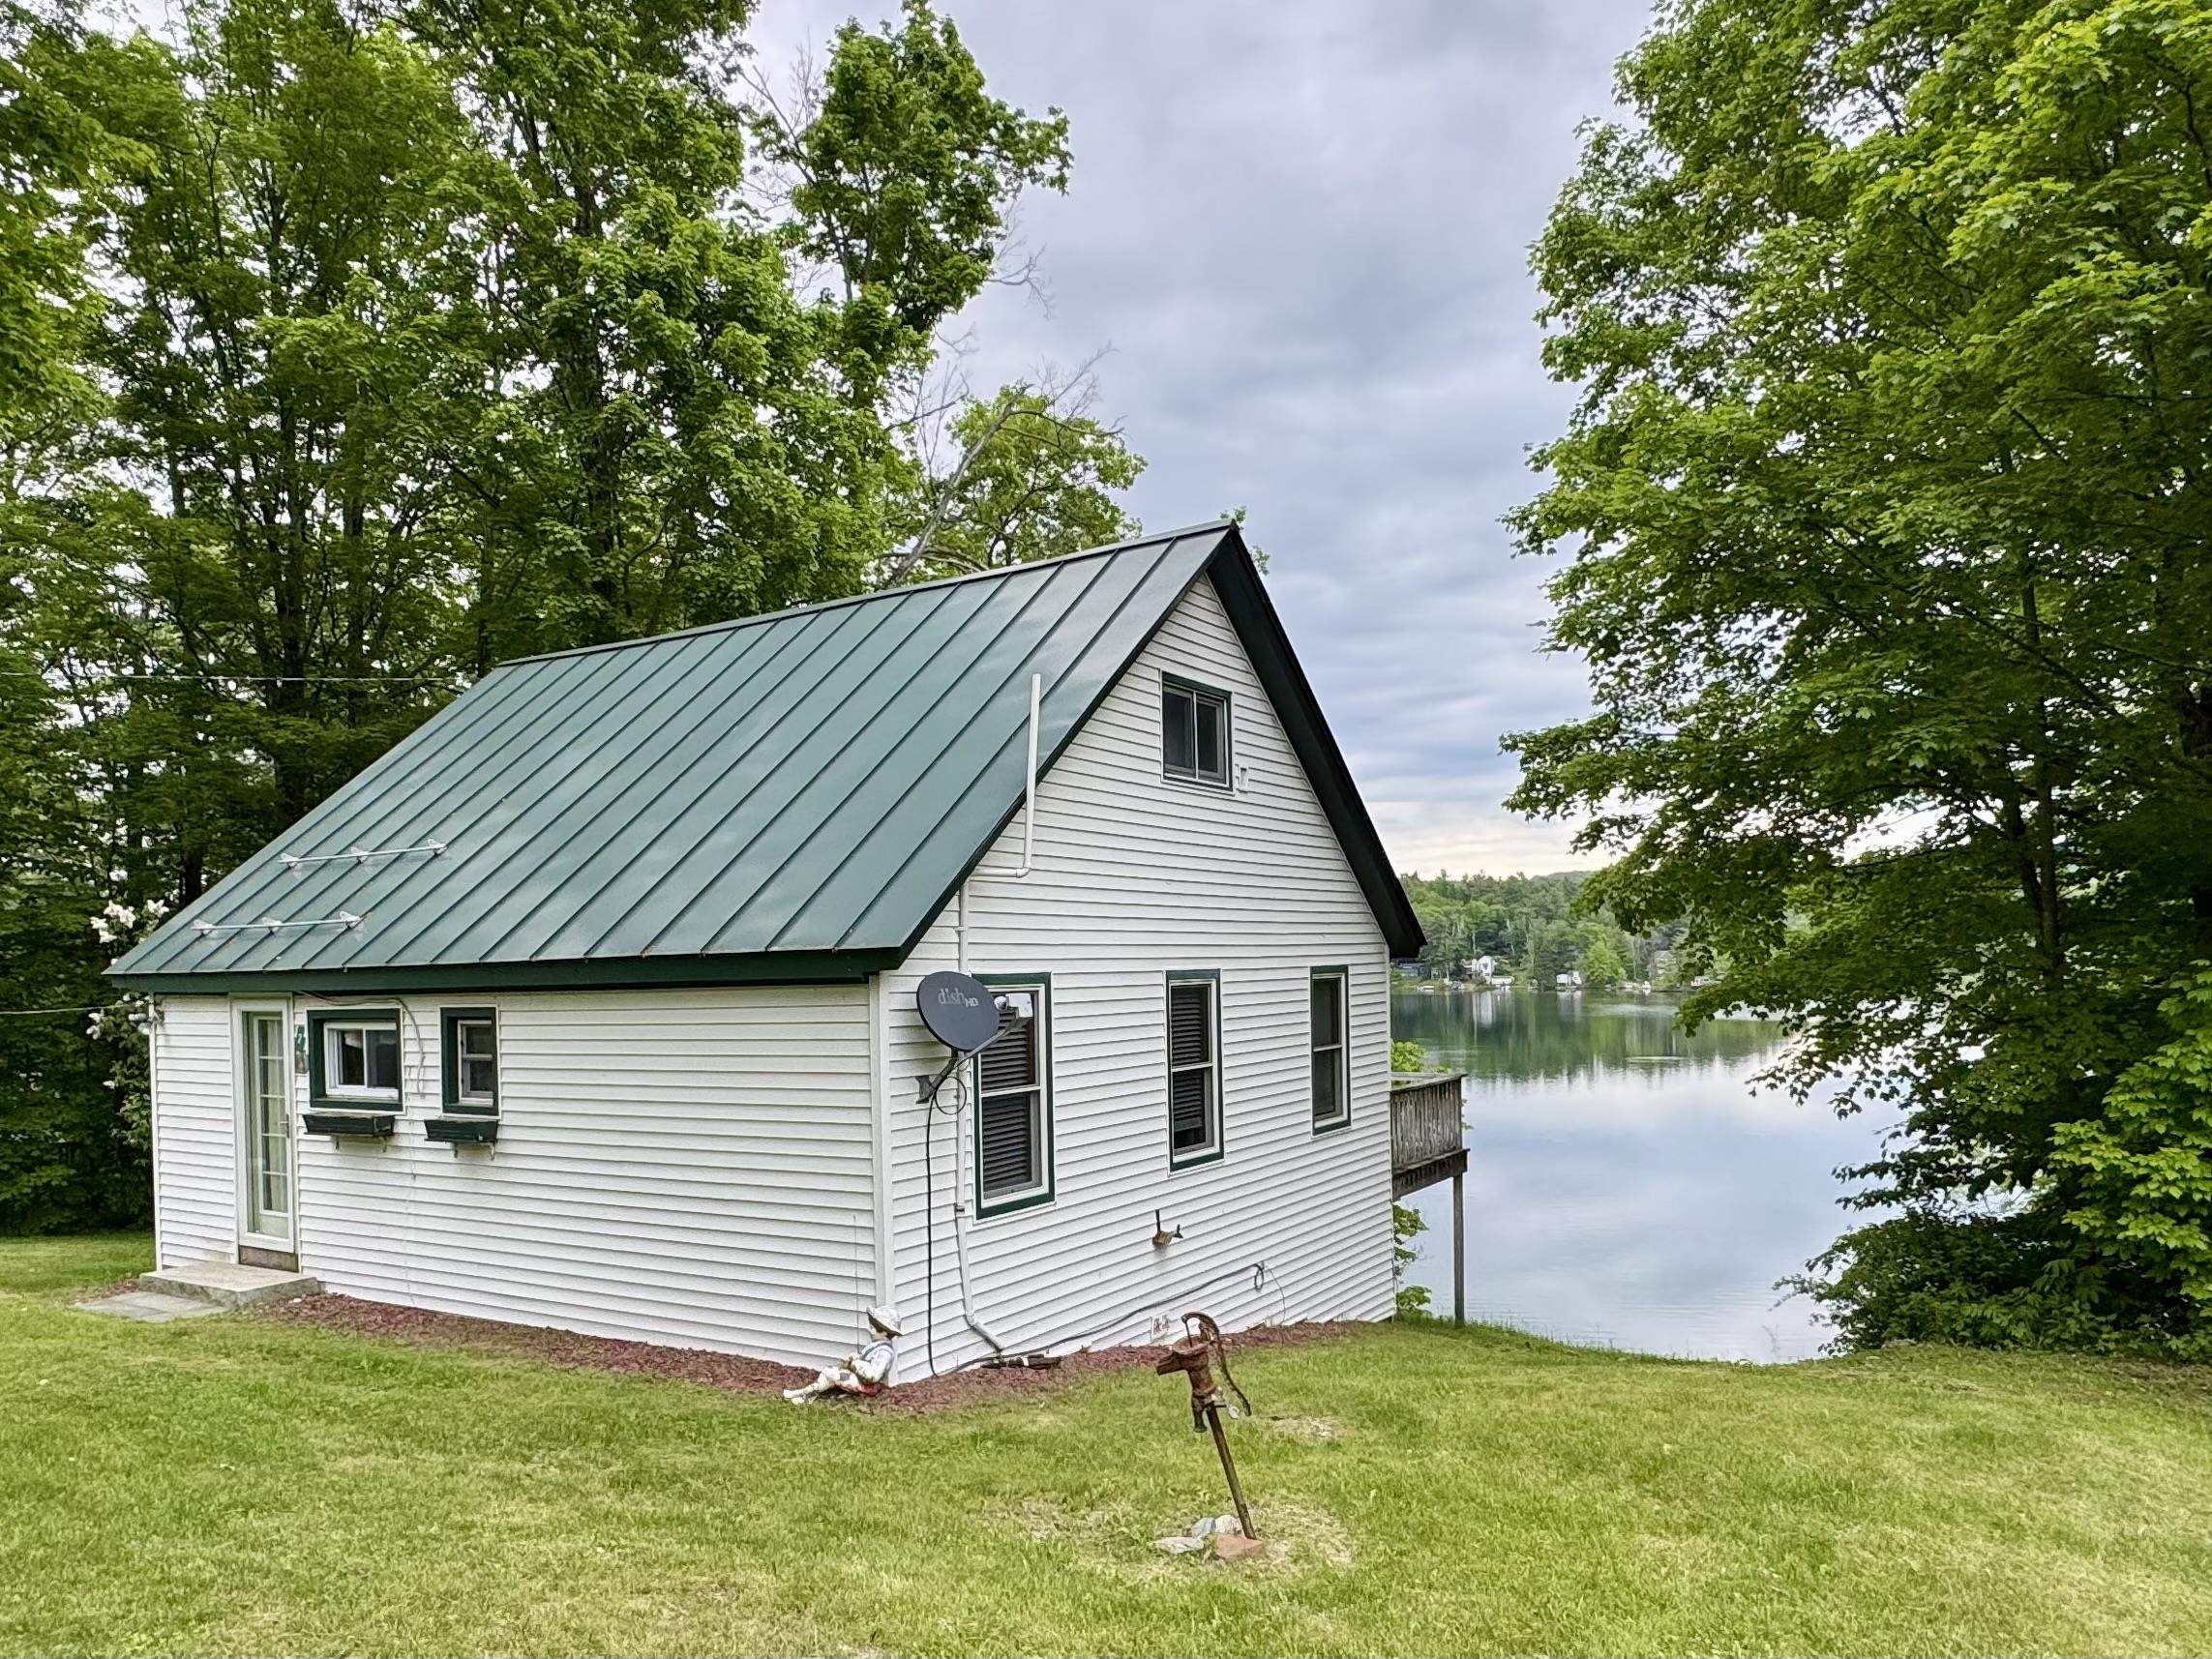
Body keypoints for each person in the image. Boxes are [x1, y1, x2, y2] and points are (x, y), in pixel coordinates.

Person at [783, 1305, 903, 1404]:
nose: (870, 1331)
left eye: (874, 1329)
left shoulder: (884, 1353)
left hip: (868, 1387)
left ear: (885, 1332)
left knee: (832, 1374)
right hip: (862, 1381)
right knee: (829, 1371)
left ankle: (806, 1396)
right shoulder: (877, 1345)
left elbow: (873, 1376)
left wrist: (855, 1363)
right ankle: (803, 1393)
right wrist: (856, 1357)